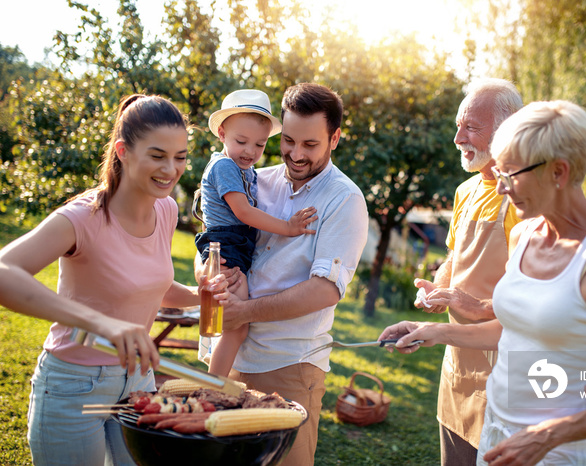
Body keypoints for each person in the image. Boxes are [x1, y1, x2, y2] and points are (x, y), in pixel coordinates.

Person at [381, 100, 586, 465]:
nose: (500, 188)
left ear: (559, 172)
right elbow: (511, 331)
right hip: (496, 436)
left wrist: (549, 435)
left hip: (557, 452)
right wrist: (433, 330)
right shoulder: (524, 235)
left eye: (509, 175)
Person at [0, 94, 229, 465]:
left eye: (180, 157)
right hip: (74, 383)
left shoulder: (166, 209)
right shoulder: (82, 218)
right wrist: (102, 324)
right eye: (157, 156)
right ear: (123, 150)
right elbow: (4, 272)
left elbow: (149, 287)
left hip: (137, 381)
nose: (171, 169)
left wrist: (197, 293)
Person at [198, 82, 368, 465]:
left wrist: (243, 313)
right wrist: (209, 271)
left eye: (310, 144)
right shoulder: (256, 177)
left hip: (288, 365)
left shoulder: (344, 199)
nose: (295, 153)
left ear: (334, 138)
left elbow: (325, 291)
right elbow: (215, 233)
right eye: (288, 141)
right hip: (232, 355)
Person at [412, 78, 523, 466]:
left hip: (504, 370)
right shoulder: (465, 192)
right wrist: (437, 287)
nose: (458, 137)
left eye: (471, 126)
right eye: (458, 125)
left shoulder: (524, 198)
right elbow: (455, 259)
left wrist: (475, 304)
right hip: (456, 366)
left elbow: (533, 296)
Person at [195, 89, 318, 376]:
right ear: (222, 134)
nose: (250, 151)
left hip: (236, 245)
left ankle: (213, 383)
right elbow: (243, 212)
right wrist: (287, 227)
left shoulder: (246, 170)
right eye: (241, 141)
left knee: (232, 324)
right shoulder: (225, 166)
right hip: (228, 245)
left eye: (260, 145)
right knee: (234, 327)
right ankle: (212, 386)